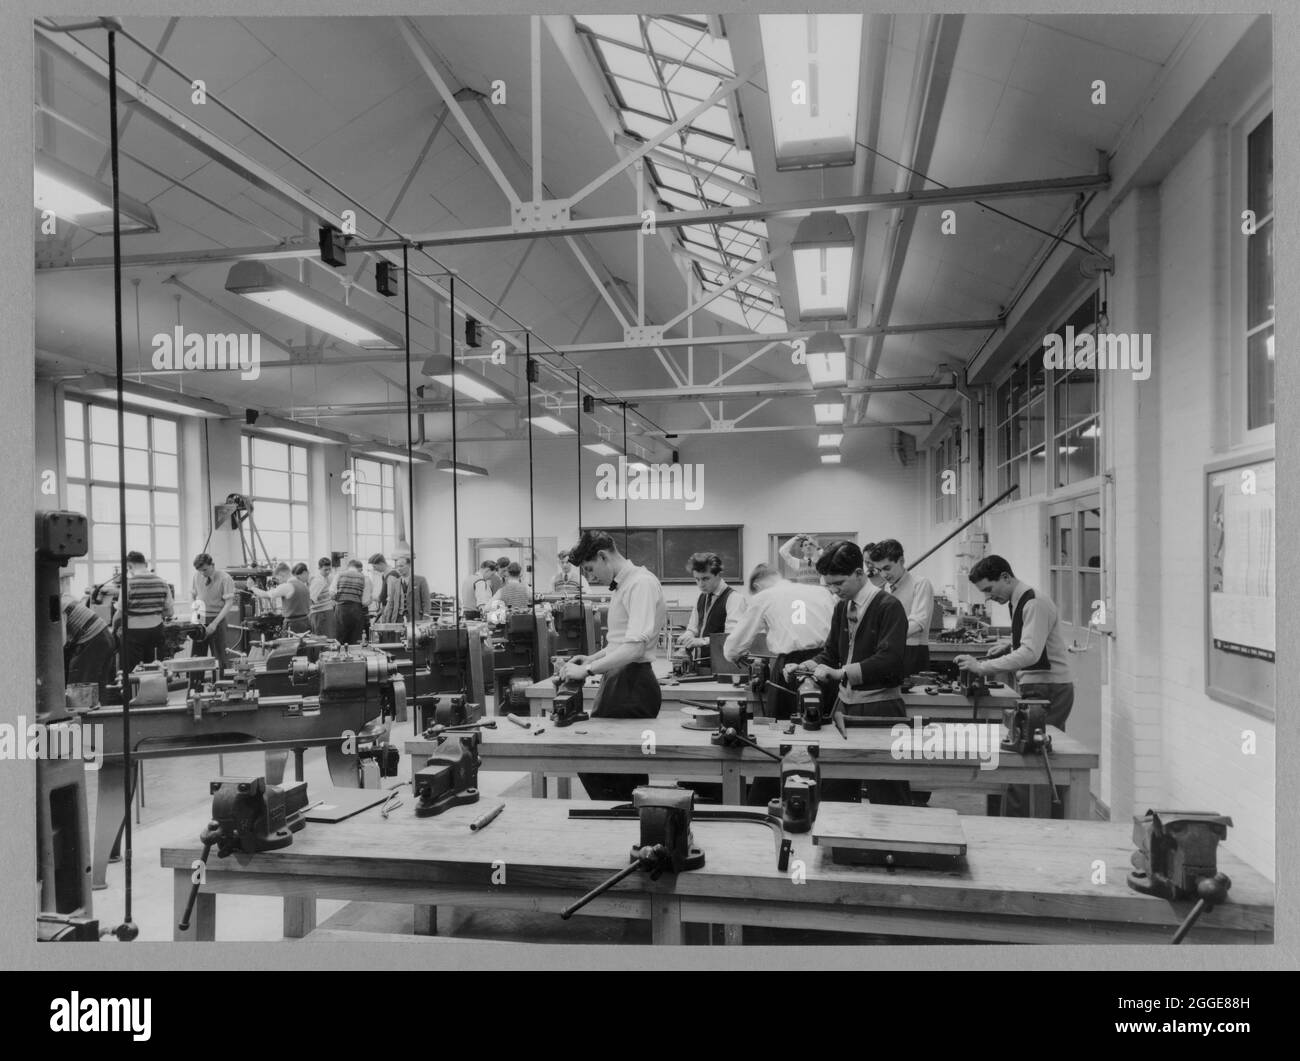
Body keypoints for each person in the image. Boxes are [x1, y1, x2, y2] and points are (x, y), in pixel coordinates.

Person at [790, 540, 911, 806]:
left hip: (881, 709)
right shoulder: (841, 607)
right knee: (835, 786)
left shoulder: (889, 606)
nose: (834, 590)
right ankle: (837, 845)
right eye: (829, 584)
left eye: (839, 583)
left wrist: (840, 672)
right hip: (845, 708)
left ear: (859, 573)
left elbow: (890, 660)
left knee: (887, 787)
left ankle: (892, 846)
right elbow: (831, 653)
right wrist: (810, 664)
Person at [955, 554, 1074, 818]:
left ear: (1006, 578)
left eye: (989, 589)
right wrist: (1010, 645)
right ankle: (1032, 820)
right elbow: (1035, 640)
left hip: (1049, 689)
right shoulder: (1019, 600)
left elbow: (1031, 654)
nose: (988, 597)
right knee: (1030, 756)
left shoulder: (1033, 602)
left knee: (1032, 761)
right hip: (1040, 687)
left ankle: (1037, 823)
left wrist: (981, 666)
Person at [559, 531, 666, 801]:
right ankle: (626, 820)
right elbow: (621, 642)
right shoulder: (624, 585)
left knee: (606, 764)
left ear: (603, 556)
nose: (591, 577)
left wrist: (587, 671)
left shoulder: (640, 584)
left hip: (632, 685)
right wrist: (591, 659)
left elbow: (635, 648)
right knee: (614, 770)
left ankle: (626, 822)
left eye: (590, 569)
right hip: (621, 680)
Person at [724, 563, 833, 716]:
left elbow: (734, 646)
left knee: (783, 726)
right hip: (825, 664)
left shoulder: (764, 597)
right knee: (824, 723)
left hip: (789, 668)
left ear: (757, 586)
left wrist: (734, 655)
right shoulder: (822, 592)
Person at [867, 539, 935, 676]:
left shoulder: (920, 584)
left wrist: (885, 637)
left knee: (911, 696)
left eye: (887, 568)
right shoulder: (887, 587)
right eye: (879, 570)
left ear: (901, 561)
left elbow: (917, 623)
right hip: (890, 651)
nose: (884, 575)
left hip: (913, 651)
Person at [675, 552, 744, 670]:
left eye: (705, 579)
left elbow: (732, 637)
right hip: (701, 665)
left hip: (724, 667)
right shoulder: (701, 597)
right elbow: (693, 628)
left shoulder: (734, 599)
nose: (700, 584)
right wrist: (687, 636)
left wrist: (702, 642)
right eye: (697, 579)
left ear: (718, 575)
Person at [113, 550, 174, 674]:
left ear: (129, 566)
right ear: (145, 563)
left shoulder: (128, 584)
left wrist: (114, 629)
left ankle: (134, 694)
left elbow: (119, 614)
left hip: (134, 633)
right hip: (156, 631)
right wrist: (153, 612)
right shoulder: (162, 582)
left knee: (132, 672)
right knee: (155, 670)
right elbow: (169, 612)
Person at [62, 574, 117, 703]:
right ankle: (100, 717)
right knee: (97, 684)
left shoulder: (59, 605)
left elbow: (62, 641)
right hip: (104, 637)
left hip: (94, 640)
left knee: (80, 683)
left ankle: (83, 717)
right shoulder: (66, 597)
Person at [191, 553, 237, 677]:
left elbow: (229, 604)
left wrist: (214, 624)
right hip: (200, 619)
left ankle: (222, 687)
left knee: (220, 657)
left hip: (217, 619)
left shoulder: (225, 578)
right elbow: (194, 596)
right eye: (199, 570)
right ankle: (195, 688)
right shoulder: (197, 576)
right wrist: (195, 617)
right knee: (196, 658)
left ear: (213, 565)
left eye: (205, 570)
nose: (202, 573)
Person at [246, 562, 311, 634]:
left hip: (293, 625)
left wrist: (252, 588)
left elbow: (265, 594)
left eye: (278, 579)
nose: (278, 582)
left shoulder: (287, 586)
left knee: (289, 644)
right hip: (305, 622)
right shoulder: (303, 585)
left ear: (282, 575)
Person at [333, 559, 369, 645]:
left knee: (340, 638)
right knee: (354, 640)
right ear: (359, 568)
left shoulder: (339, 575)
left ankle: (340, 656)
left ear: (348, 567)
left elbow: (332, 593)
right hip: (355, 610)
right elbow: (365, 602)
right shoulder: (364, 578)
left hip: (341, 610)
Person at [390, 553, 430, 622]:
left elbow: (426, 601)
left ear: (409, 565)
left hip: (415, 618)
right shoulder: (395, 582)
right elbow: (391, 603)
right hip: (399, 619)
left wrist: (425, 617)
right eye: (397, 566)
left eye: (401, 566)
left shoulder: (420, 580)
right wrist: (389, 619)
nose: (399, 569)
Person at [308, 557, 337, 638]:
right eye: (325, 570)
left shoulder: (328, 578)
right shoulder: (318, 581)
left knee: (330, 637)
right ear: (319, 568)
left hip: (327, 612)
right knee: (323, 639)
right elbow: (310, 600)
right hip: (320, 614)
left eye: (329, 569)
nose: (328, 572)